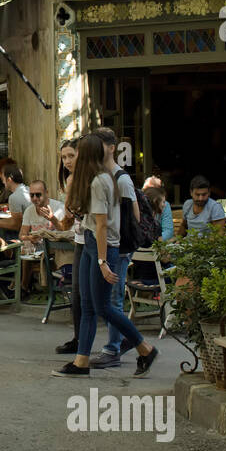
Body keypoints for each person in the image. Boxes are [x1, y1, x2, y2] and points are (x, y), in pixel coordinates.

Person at [52, 133, 158, 378]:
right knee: (90, 306)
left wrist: (102, 260)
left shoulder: (101, 181)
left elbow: (102, 225)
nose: (71, 158)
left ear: (85, 154)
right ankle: (81, 362)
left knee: (104, 306)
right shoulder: (93, 179)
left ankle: (145, 347)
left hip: (103, 246)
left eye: (76, 153)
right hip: (92, 242)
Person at [92, 127, 140, 369]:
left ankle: (113, 348)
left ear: (112, 147)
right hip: (111, 245)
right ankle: (125, 340)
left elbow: (135, 217)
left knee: (113, 299)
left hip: (119, 247)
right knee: (109, 299)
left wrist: (123, 247)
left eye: (99, 144)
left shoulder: (121, 179)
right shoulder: (101, 177)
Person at [54, 139, 83, 355]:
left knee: (92, 298)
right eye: (64, 157)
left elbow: (71, 215)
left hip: (89, 240)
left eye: (71, 156)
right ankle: (79, 340)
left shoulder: (79, 180)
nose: (67, 161)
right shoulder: (74, 179)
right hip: (81, 238)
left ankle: (134, 343)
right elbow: (68, 219)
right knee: (80, 296)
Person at [0, 166, 30, 242]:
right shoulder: (27, 189)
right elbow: (18, 220)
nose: (3, 182)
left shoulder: (14, 197)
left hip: (29, 235)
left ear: (9, 180)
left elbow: (17, 225)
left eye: (3, 179)